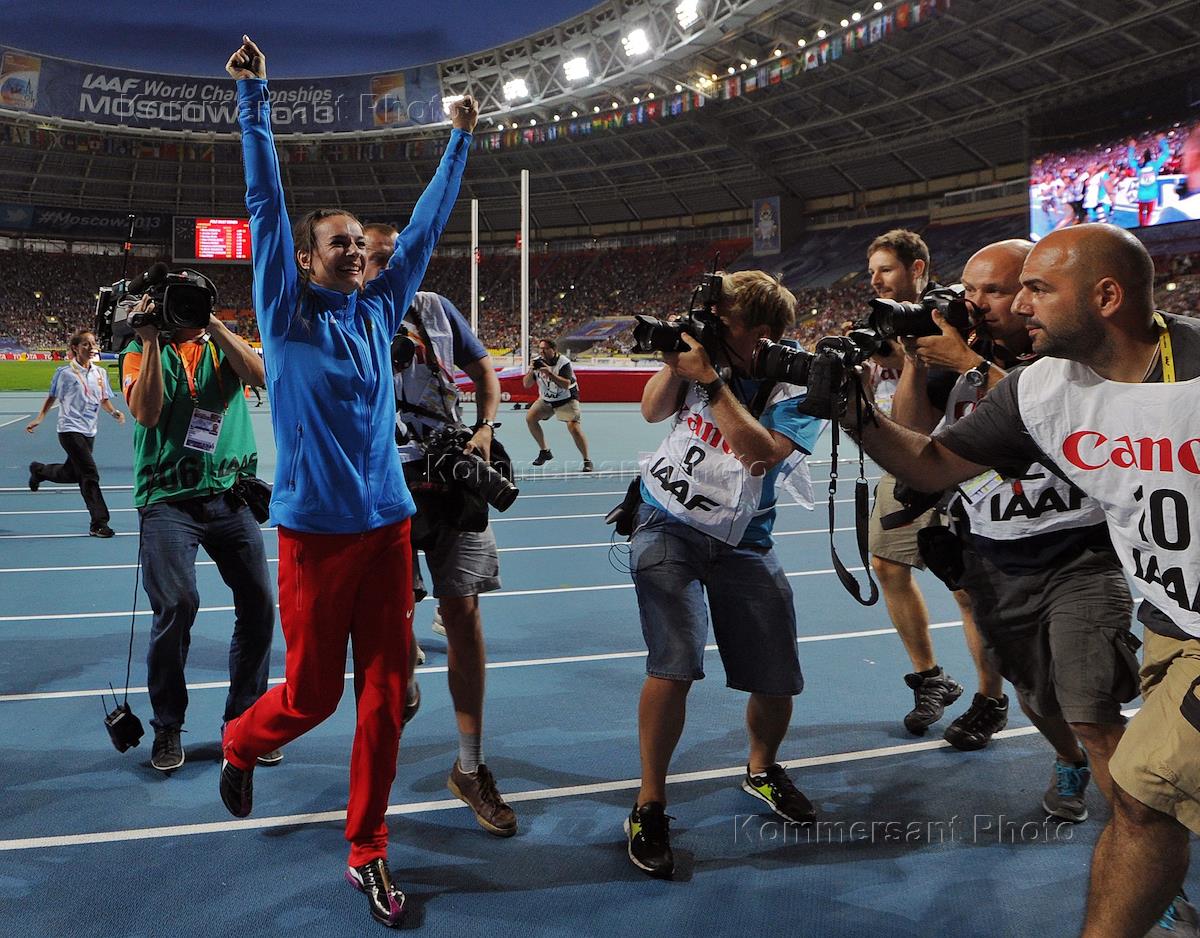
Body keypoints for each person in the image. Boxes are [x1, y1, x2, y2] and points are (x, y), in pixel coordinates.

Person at [825, 224, 1200, 937]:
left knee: (1141, 791)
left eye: (1036, 289)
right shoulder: (1040, 386)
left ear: (1106, 297)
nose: (1019, 306)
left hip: (1100, 575)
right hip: (1162, 621)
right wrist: (853, 411)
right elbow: (930, 463)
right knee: (1127, 776)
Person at [218, 37, 476, 929]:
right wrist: (254, 99)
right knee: (313, 696)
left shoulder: (377, 308)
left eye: (362, 245)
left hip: (388, 527)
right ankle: (242, 740)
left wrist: (459, 140)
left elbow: (427, 230)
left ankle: (367, 847)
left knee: (387, 698)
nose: (358, 253)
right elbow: (265, 201)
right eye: (340, 244)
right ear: (305, 256)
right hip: (317, 537)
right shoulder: (286, 311)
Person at [908, 239, 1136, 816]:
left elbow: (1044, 414)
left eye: (996, 290)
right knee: (1034, 692)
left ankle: (1147, 848)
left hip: (1081, 554)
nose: (977, 303)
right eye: (970, 289)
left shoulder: (1074, 352)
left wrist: (968, 364)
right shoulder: (957, 356)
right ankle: (1068, 760)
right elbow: (912, 442)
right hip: (995, 557)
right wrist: (914, 360)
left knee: (1090, 708)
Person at [624, 270, 825, 878]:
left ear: (758, 333)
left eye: (723, 319)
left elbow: (760, 454)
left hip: (745, 540)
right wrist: (677, 362)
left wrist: (711, 383)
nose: (709, 325)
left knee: (777, 674)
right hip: (665, 521)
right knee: (674, 661)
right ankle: (649, 804)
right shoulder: (700, 356)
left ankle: (761, 769)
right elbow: (651, 411)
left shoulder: (801, 380)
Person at [364, 224, 517, 837]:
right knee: (391, 623)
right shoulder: (348, 312)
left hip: (452, 476)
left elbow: (486, 373)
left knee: (464, 614)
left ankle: (470, 767)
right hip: (385, 484)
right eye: (378, 258)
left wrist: (483, 429)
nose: (389, 267)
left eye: (398, 257)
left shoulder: (437, 309)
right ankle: (404, 674)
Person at [120, 293, 276, 774]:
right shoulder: (139, 351)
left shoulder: (219, 346)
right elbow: (147, 414)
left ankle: (244, 720)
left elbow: (261, 376)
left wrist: (216, 325)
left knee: (259, 604)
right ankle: (168, 725)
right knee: (177, 605)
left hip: (229, 493)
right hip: (167, 500)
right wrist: (149, 340)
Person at [864, 230, 1002, 745]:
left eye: (885, 270)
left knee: (967, 591)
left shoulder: (956, 316)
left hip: (966, 463)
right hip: (912, 457)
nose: (876, 281)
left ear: (917, 269)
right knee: (887, 564)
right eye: (872, 272)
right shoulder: (889, 323)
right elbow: (907, 420)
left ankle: (990, 698)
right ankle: (930, 678)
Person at [26, 329, 124, 537]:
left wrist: (114, 412)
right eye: (86, 344)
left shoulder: (100, 373)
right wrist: (40, 417)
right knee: (89, 474)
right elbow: (52, 397)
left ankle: (39, 471)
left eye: (93, 343)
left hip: (89, 430)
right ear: (75, 348)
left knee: (71, 473)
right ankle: (99, 523)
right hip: (69, 429)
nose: (91, 347)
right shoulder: (65, 373)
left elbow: (103, 399)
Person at [523, 338, 593, 471]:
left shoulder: (563, 363)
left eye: (545, 349)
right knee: (530, 418)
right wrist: (532, 370)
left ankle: (587, 460)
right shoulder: (537, 362)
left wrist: (549, 373)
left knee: (574, 427)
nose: (542, 352)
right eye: (540, 349)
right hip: (546, 399)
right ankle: (545, 451)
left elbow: (565, 384)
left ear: (554, 350)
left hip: (566, 399)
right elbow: (526, 384)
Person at [1129, 135, 1172, 227]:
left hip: (1141, 195)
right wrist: (1161, 140)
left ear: (1143, 157)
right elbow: (1166, 153)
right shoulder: (1155, 165)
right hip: (1152, 195)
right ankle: (1146, 227)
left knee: (1141, 213)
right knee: (1149, 214)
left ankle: (1141, 226)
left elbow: (1130, 160)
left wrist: (1131, 147)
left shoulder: (1138, 167)